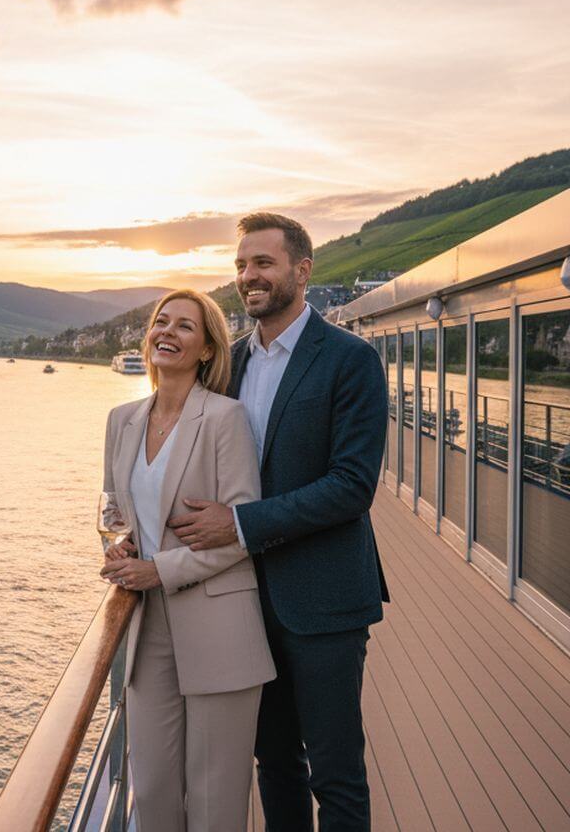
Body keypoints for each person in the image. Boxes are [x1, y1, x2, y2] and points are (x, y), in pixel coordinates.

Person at [168, 213, 389, 832]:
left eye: (262, 263)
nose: (248, 277)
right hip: (244, 600)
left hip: (324, 598)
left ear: (302, 270)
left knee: (336, 773)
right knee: (275, 764)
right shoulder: (226, 365)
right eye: (240, 265)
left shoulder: (351, 361)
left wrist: (239, 525)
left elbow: (352, 486)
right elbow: (185, 455)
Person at [99, 288, 275, 832]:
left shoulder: (225, 418)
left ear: (205, 350)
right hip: (147, 627)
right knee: (151, 793)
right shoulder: (120, 419)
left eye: (184, 326)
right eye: (160, 321)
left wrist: (159, 569)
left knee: (214, 801)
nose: (166, 333)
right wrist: (117, 547)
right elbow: (111, 511)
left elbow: (244, 528)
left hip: (219, 624)